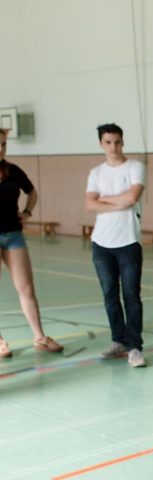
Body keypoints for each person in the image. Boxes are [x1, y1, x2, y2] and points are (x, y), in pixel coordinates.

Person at [85, 123, 147, 367]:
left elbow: (132, 197)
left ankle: (135, 347)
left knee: (131, 295)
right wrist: (116, 201)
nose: (114, 146)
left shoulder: (135, 167)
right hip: (101, 243)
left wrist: (103, 199)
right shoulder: (96, 173)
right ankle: (118, 341)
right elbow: (89, 204)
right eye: (108, 142)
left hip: (128, 241)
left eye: (117, 142)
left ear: (122, 142)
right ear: (102, 144)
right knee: (110, 294)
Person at [0, 128, 64, 359]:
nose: (1, 149)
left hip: (13, 234)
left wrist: (27, 212)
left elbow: (32, 193)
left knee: (26, 288)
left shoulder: (13, 171)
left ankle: (40, 337)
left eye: (4, 144)